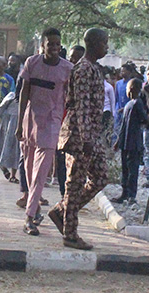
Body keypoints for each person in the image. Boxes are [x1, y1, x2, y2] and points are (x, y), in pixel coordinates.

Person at [46, 28, 109, 251]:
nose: (107, 47)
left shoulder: (95, 69)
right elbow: (81, 105)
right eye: (104, 43)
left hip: (92, 134)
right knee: (74, 185)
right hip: (79, 136)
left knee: (101, 178)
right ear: (93, 44)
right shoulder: (83, 69)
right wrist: (86, 138)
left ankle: (61, 211)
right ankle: (70, 233)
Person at [16, 29, 73, 236]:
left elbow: (71, 98)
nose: (54, 48)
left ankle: (29, 218)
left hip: (52, 123)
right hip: (30, 121)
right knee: (30, 172)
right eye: (50, 44)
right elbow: (24, 92)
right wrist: (19, 123)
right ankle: (35, 208)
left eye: (58, 44)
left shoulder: (68, 69)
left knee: (41, 173)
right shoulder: (32, 63)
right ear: (43, 45)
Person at [114, 78, 146, 204]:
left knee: (132, 170)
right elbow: (123, 125)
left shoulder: (137, 104)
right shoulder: (129, 104)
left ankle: (131, 195)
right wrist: (118, 141)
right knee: (125, 170)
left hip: (134, 142)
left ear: (131, 89)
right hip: (125, 142)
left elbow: (144, 119)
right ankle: (125, 193)